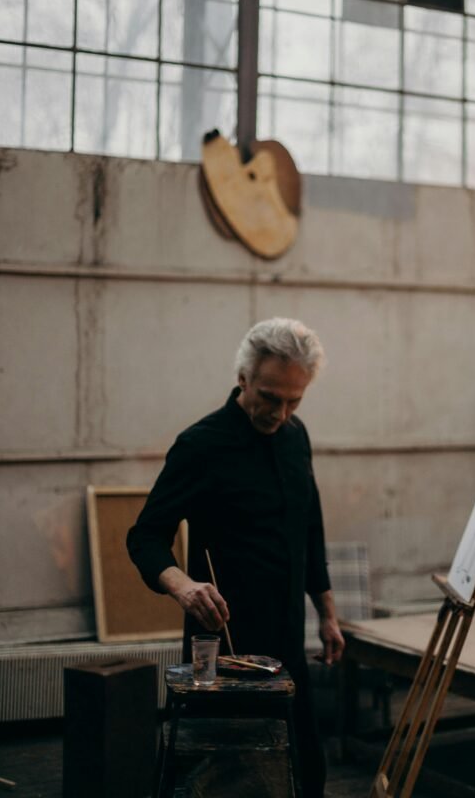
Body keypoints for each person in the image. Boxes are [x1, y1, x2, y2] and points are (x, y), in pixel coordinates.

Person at [127, 316, 345, 798]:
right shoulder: (200, 444)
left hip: (287, 643)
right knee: (225, 779)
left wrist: (327, 613)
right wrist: (184, 586)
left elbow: (309, 529)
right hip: (222, 646)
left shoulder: (297, 436)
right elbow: (145, 537)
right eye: (270, 397)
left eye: (294, 401)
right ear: (243, 378)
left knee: (305, 772)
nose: (281, 413)